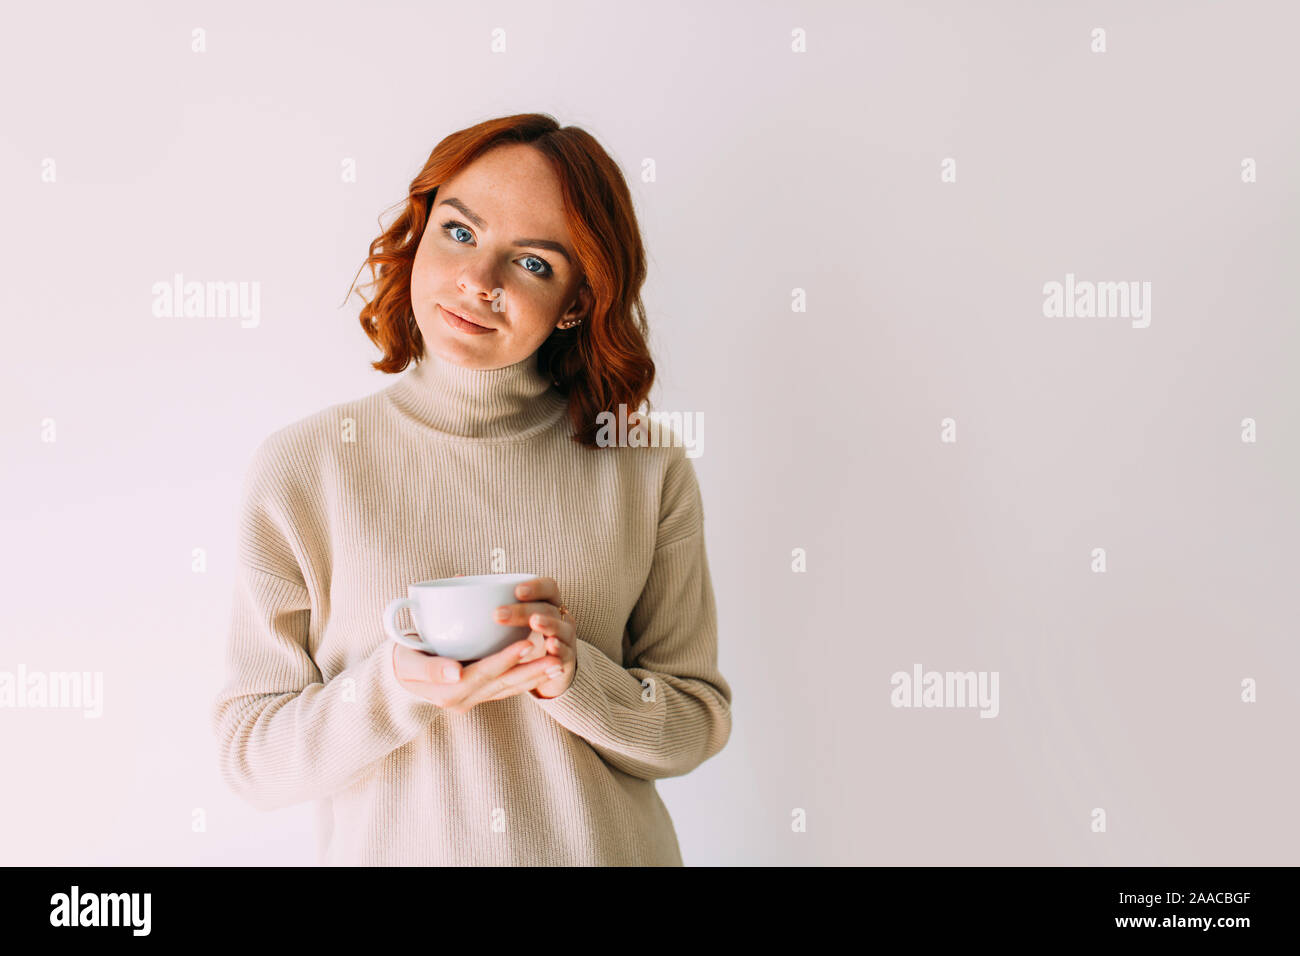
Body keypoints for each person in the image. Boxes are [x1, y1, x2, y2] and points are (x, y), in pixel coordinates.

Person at [210, 113, 732, 865]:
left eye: (533, 264)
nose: (477, 283)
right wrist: (397, 686)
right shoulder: (306, 466)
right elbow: (249, 755)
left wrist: (575, 678)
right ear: (420, 231)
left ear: (578, 302)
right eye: (459, 233)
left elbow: (693, 721)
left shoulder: (645, 467)